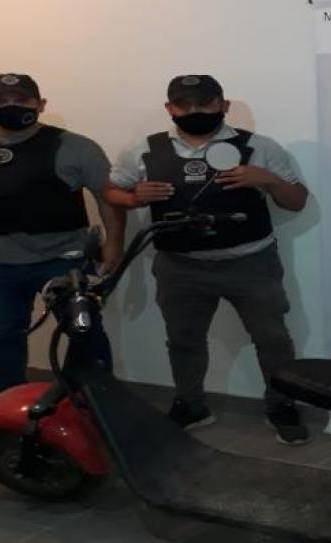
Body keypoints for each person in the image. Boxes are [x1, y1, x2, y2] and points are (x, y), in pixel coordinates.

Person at [104, 75, 310, 444]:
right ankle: (191, 405)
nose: (194, 111)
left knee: (273, 339)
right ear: (169, 108)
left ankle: (282, 405)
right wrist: (134, 197)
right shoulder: (143, 150)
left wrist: (267, 180)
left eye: (205, 103)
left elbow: (296, 201)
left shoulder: (258, 146)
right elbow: (111, 192)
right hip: (179, 266)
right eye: (184, 105)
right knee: (183, 340)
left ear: (223, 105)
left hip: (251, 263)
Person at [0, 73, 124, 393]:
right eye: (1, 100)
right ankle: (9, 396)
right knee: (3, 334)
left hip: (64, 261)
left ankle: (96, 400)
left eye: (21, 99)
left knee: (85, 332)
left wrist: (113, 244)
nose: (11, 106)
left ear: (40, 104)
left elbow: (108, 197)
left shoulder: (75, 146)